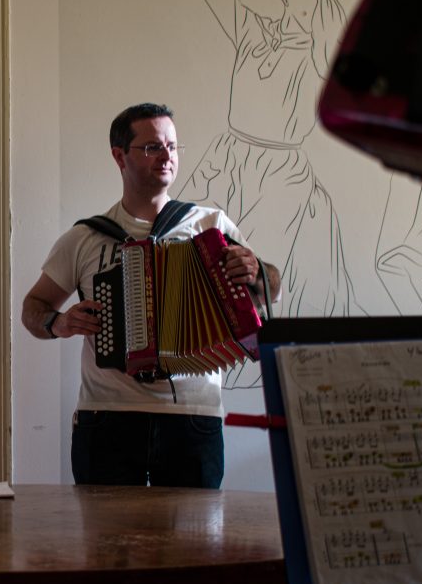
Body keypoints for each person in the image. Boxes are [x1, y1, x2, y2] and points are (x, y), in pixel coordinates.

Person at [22, 103, 281, 488]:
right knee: (106, 545)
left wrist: (258, 271)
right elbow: (33, 308)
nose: (167, 157)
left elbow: (269, 290)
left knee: (195, 548)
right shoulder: (86, 237)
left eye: (172, 147)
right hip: (107, 415)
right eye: (152, 147)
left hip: (194, 416)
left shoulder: (210, 224)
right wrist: (57, 322)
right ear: (119, 156)